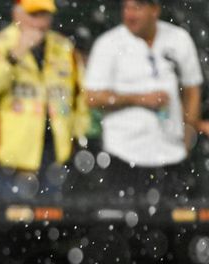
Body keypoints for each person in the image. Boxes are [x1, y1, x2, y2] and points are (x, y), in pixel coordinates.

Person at [0, 0, 89, 201]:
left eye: (45, 15)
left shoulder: (64, 47)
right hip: (13, 155)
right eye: (34, 15)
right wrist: (15, 55)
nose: (40, 22)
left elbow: (80, 96)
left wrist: (78, 137)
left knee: (54, 223)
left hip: (56, 153)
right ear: (17, 14)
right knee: (13, 222)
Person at [84, 0, 203, 202]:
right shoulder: (109, 44)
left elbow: (192, 87)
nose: (130, 14)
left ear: (155, 9)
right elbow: (92, 96)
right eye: (126, 7)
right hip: (124, 153)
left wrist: (189, 130)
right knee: (123, 224)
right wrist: (139, 99)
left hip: (171, 153)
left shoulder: (178, 38)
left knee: (175, 225)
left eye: (137, 7)